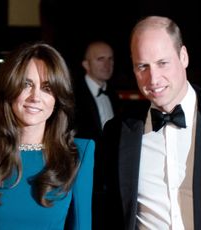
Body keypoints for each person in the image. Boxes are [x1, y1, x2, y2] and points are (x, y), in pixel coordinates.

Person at [102, 16, 201, 230]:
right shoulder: (117, 132)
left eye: (162, 63)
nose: (153, 78)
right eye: (142, 66)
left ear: (184, 56)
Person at [0, 42, 95, 230]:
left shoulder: (79, 154)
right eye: (26, 84)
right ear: (9, 87)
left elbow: (82, 225)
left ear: (58, 98)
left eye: (47, 88)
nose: (35, 97)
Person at [73, 40, 121, 230]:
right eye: (101, 59)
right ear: (86, 64)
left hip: (108, 180)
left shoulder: (113, 94)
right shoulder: (73, 95)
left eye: (111, 59)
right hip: (82, 177)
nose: (107, 64)